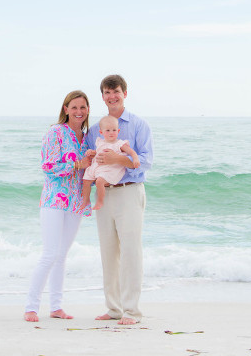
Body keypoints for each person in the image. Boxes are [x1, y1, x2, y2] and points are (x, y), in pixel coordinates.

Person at [84, 75, 153, 325]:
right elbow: (89, 162)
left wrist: (118, 160)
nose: (112, 96)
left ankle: (131, 311)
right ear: (102, 96)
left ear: (125, 93)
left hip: (129, 191)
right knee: (108, 251)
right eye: (107, 92)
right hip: (104, 194)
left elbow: (146, 160)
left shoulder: (138, 124)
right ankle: (113, 308)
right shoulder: (95, 130)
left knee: (131, 251)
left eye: (116, 91)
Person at [24, 90, 94, 322]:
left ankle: (56, 307)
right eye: (74, 107)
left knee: (62, 255)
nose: (78, 112)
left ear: (88, 110)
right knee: (50, 254)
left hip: (76, 202)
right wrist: (77, 164)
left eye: (82, 107)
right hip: (54, 199)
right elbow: (48, 166)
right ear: (66, 109)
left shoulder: (87, 138)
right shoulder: (56, 132)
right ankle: (31, 307)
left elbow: (90, 170)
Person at [82, 115, 140, 210]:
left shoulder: (119, 144)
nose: (111, 133)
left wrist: (136, 159)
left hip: (110, 169)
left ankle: (100, 201)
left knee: (99, 182)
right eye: (108, 130)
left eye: (114, 130)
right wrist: (92, 152)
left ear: (118, 131)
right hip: (97, 167)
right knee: (85, 180)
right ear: (101, 132)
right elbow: (98, 152)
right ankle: (85, 201)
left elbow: (132, 152)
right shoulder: (100, 142)